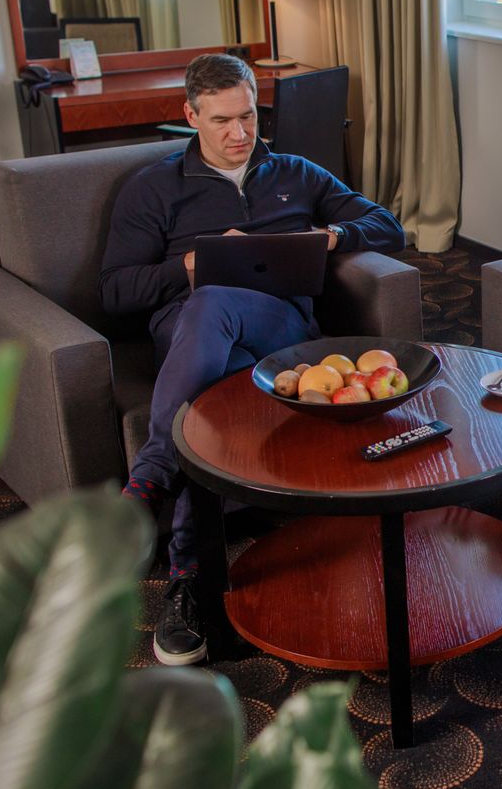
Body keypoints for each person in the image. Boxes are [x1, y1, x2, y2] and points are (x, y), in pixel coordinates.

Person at [101, 52, 404, 666]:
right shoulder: (154, 188)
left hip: (281, 330)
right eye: (221, 122)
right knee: (212, 330)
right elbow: (114, 293)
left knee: (218, 306)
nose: (240, 135)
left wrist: (330, 236)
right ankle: (190, 573)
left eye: (249, 117)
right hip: (196, 335)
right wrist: (184, 265)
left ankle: (150, 477)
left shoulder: (294, 171)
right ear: (190, 115)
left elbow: (386, 225)